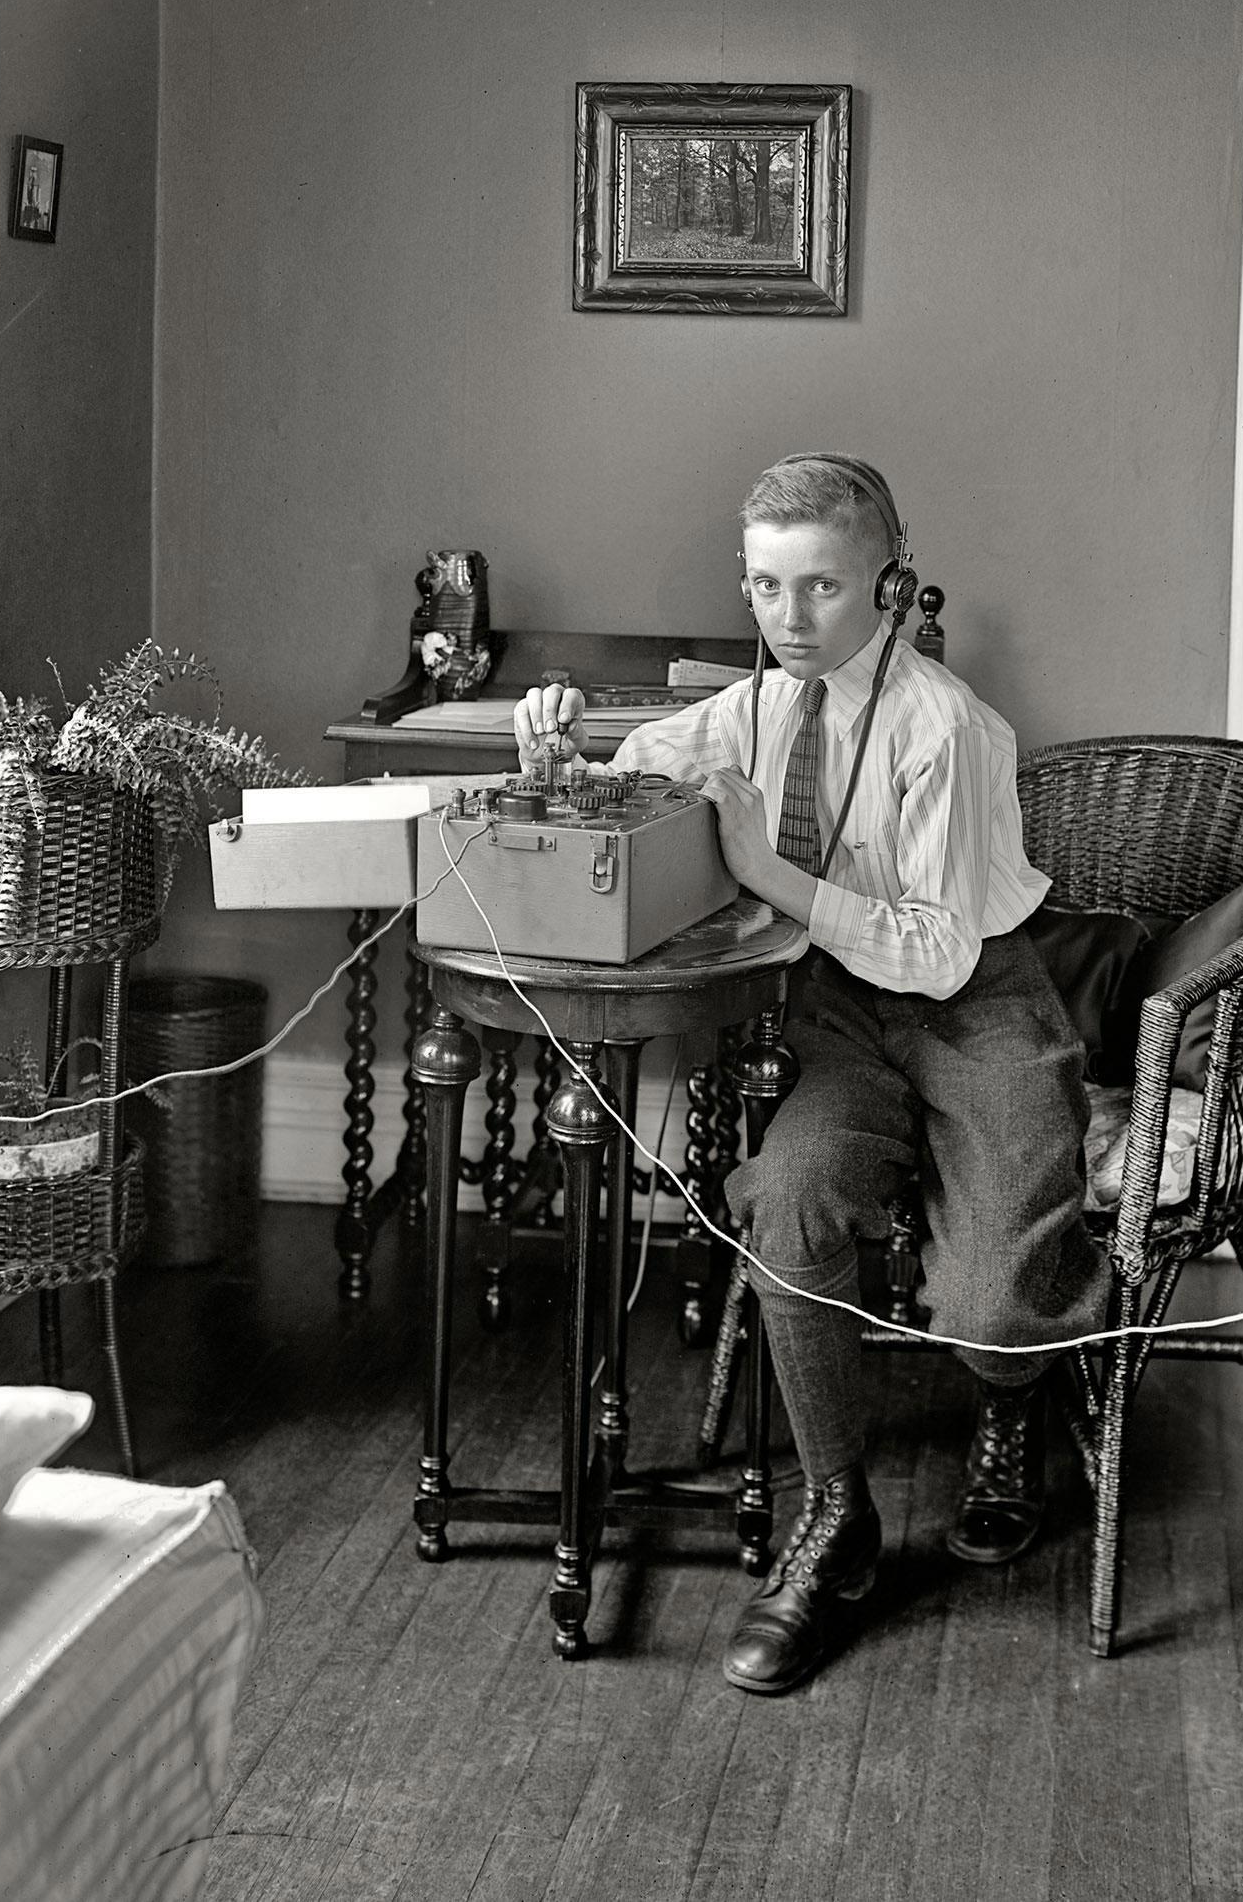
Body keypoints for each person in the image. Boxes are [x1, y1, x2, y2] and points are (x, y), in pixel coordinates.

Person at [513, 453, 1101, 1695]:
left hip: (978, 1003)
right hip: (842, 1014)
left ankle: (1009, 1399)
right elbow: (646, 762)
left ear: (886, 586)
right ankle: (836, 1514)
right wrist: (559, 748)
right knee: (785, 1198)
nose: (789, 617)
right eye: (766, 586)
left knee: (993, 1308)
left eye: (821, 587)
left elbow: (937, 953)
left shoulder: (947, 728)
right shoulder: (760, 703)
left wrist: (765, 871)